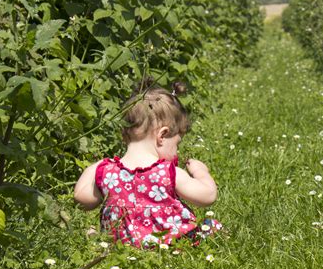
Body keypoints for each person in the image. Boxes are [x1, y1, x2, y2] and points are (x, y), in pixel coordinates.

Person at [73, 77, 223, 249]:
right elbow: (208, 196)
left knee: (97, 235)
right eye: (177, 144)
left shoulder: (108, 173)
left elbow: (82, 200)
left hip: (123, 248)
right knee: (211, 225)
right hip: (171, 244)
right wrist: (200, 172)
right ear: (162, 135)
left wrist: (93, 169)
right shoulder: (167, 173)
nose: (177, 151)